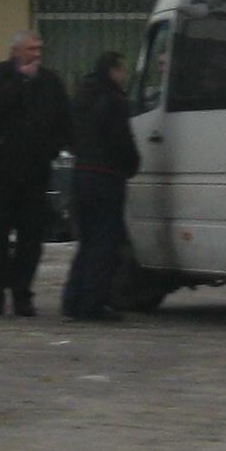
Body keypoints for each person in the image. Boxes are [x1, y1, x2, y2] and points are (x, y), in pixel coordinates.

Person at [0, 30, 70, 318]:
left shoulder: (50, 81)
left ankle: (22, 294)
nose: (36, 55)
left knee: (30, 239)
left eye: (39, 49)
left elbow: (64, 120)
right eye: (31, 49)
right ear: (15, 51)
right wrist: (20, 81)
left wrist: (52, 148)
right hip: (3, 172)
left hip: (36, 172)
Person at [61, 48, 142, 322]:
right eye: (123, 70)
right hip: (105, 177)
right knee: (104, 243)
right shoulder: (114, 100)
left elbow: (69, 134)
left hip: (81, 173)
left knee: (86, 242)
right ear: (113, 71)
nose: (125, 75)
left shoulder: (82, 96)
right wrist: (131, 165)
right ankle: (92, 304)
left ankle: (73, 299)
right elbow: (122, 141)